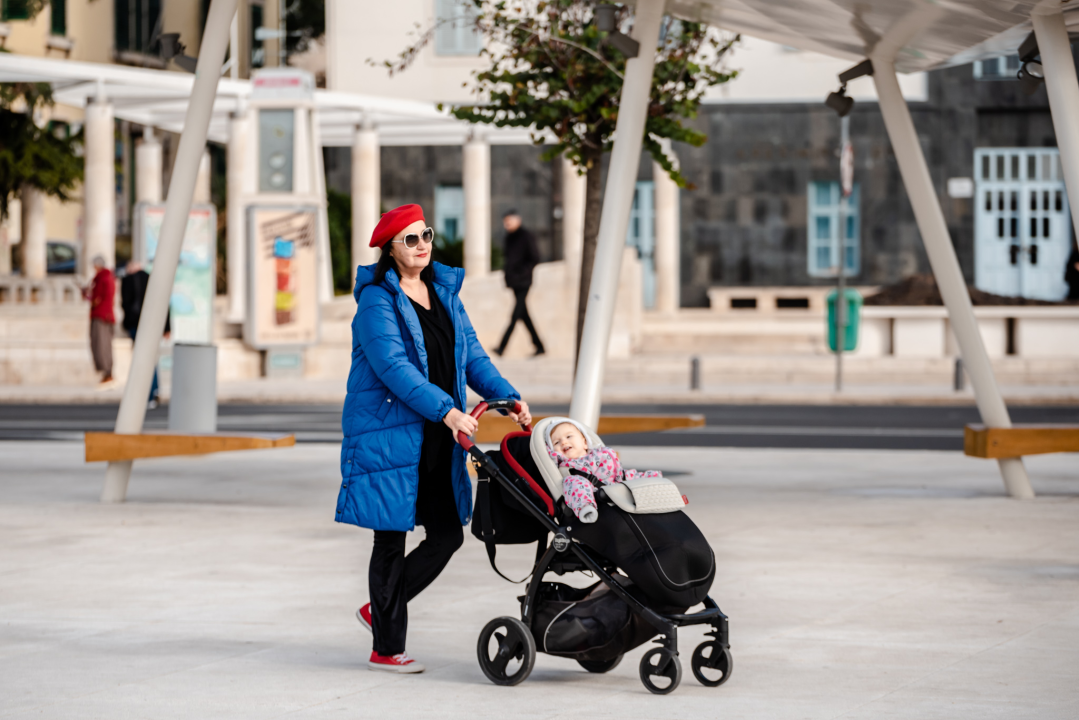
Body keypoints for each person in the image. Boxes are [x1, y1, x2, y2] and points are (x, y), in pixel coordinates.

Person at [338, 203, 533, 674]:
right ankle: (386, 647)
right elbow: (393, 369)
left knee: (446, 534)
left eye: (425, 235)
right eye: (410, 239)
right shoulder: (376, 301)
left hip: (440, 432)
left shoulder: (443, 292)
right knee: (390, 537)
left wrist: (508, 396)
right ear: (389, 247)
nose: (422, 244)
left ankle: (380, 609)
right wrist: (447, 409)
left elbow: (472, 357)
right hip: (390, 433)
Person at [546, 420, 663, 523]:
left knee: (630, 475)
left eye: (569, 436)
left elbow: (617, 472)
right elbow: (574, 484)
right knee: (574, 482)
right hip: (596, 495)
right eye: (556, 442)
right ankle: (586, 508)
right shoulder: (567, 468)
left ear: (585, 442)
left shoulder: (600, 453)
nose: (563, 442)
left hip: (616, 481)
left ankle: (656, 482)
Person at [495, 209, 545, 357]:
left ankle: (502, 346)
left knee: (515, 315)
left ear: (518, 220)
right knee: (524, 315)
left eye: (509, 221)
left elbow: (534, 257)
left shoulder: (527, 236)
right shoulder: (508, 238)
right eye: (505, 222)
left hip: (524, 281)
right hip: (514, 282)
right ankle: (540, 346)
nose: (507, 225)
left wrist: (522, 272)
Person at [121, 261, 168, 409]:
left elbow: (125, 304)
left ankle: (145, 395)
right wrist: (167, 327)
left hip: (136, 325)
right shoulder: (152, 279)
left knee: (141, 359)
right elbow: (164, 303)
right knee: (150, 358)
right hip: (152, 324)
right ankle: (154, 390)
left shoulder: (128, 281)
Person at [82, 255, 115, 385]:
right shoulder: (102, 278)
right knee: (100, 344)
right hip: (102, 315)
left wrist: (91, 299)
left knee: (102, 345)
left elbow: (98, 299)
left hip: (102, 316)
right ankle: (106, 372)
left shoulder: (104, 278)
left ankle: (107, 373)